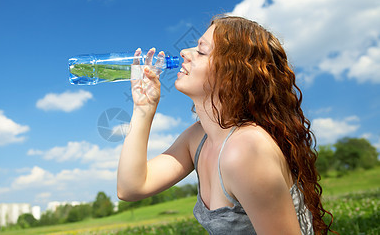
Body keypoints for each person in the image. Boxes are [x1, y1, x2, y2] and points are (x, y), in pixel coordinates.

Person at [117, 15, 334, 234]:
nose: (184, 52)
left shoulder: (246, 150)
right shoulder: (198, 139)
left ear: (232, 75)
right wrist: (144, 109)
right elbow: (131, 187)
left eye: (201, 51)